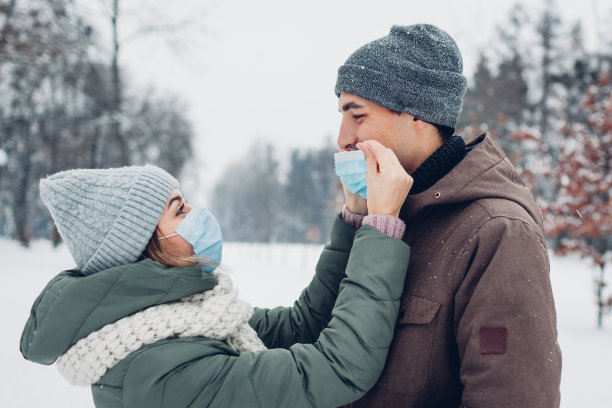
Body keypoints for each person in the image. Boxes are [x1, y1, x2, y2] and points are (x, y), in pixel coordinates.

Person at [20, 154, 413, 408]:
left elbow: (303, 325)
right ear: (144, 247)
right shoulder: (159, 372)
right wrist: (381, 229)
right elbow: (336, 369)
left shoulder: (188, 320)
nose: (197, 212)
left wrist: (355, 220)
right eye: (179, 210)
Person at [333, 24, 562, 407]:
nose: (342, 138)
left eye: (357, 115)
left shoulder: (498, 233)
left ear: (417, 114)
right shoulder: (387, 222)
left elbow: (512, 396)